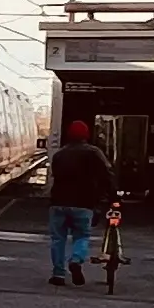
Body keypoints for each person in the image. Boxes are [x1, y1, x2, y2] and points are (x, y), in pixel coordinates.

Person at [46, 117, 117, 286]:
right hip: (84, 203)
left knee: (58, 239)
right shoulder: (94, 153)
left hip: (58, 202)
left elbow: (54, 176)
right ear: (86, 135)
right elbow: (108, 175)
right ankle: (76, 260)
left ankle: (58, 275)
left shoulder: (59, 154)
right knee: (82, 236)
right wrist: (113, 196)